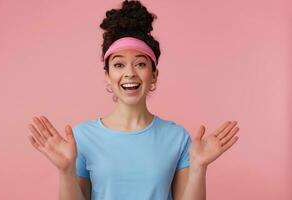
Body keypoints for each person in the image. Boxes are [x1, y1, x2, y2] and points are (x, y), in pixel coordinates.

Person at [27, 1, 240, 200]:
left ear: (154, 74)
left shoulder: (177, 137)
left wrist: (199, 168)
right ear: (107, 76)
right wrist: (66, 171)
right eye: (119, 65)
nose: (129, 73)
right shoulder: (82, 137)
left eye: (140, 64)